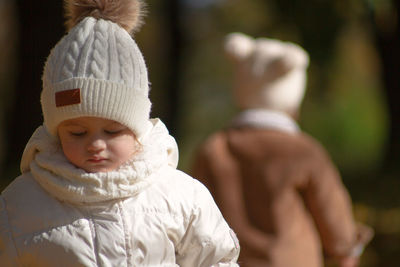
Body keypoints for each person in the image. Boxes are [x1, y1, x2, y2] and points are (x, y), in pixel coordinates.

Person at [0, 1, 240, 266]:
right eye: (77, 133)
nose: (96, 144)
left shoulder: (180, 196)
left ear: (138, 128)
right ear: (55, 131)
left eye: (113, 131)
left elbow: (217, 260)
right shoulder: (18, 206)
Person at [191, 32, 373, 267]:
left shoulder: (212, 149)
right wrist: (347, 248)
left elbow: (191, 216)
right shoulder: (303, 152)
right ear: (292, 97)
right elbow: (335, 221)